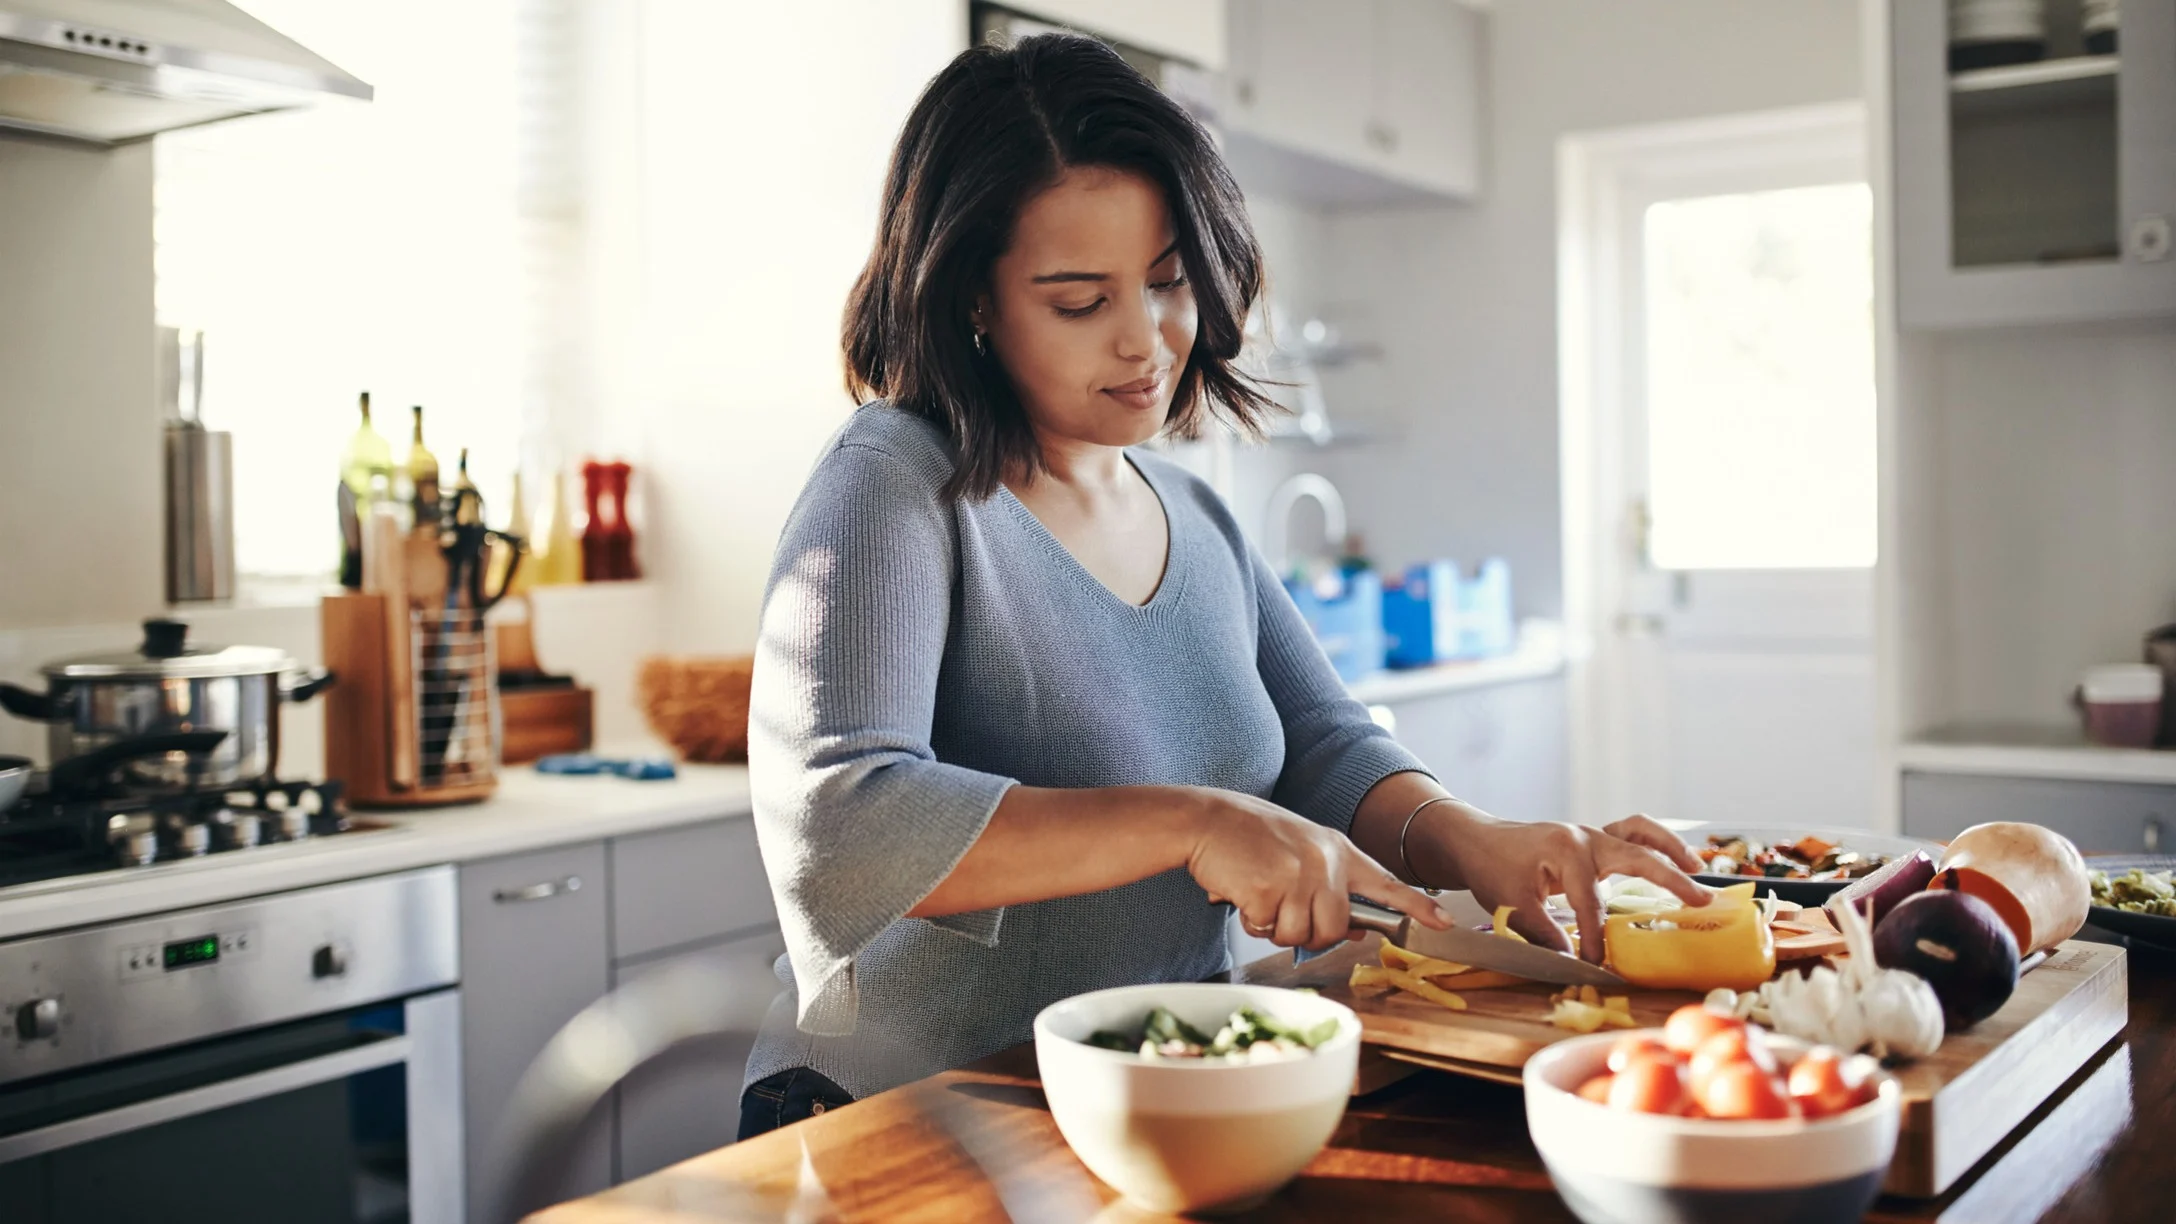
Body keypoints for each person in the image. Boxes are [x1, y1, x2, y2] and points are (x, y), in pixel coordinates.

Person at [739, 32, 1708, 1139]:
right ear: (971, 298)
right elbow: (837, 820)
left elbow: (1325, 748)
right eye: (1077, 301)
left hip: (1143, 1102)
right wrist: (1194, 822)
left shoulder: (1189, 511)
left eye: (1167, 282)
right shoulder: (891, 483)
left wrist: (1472, 841)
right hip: (908, 1114)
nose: (1148, 340)